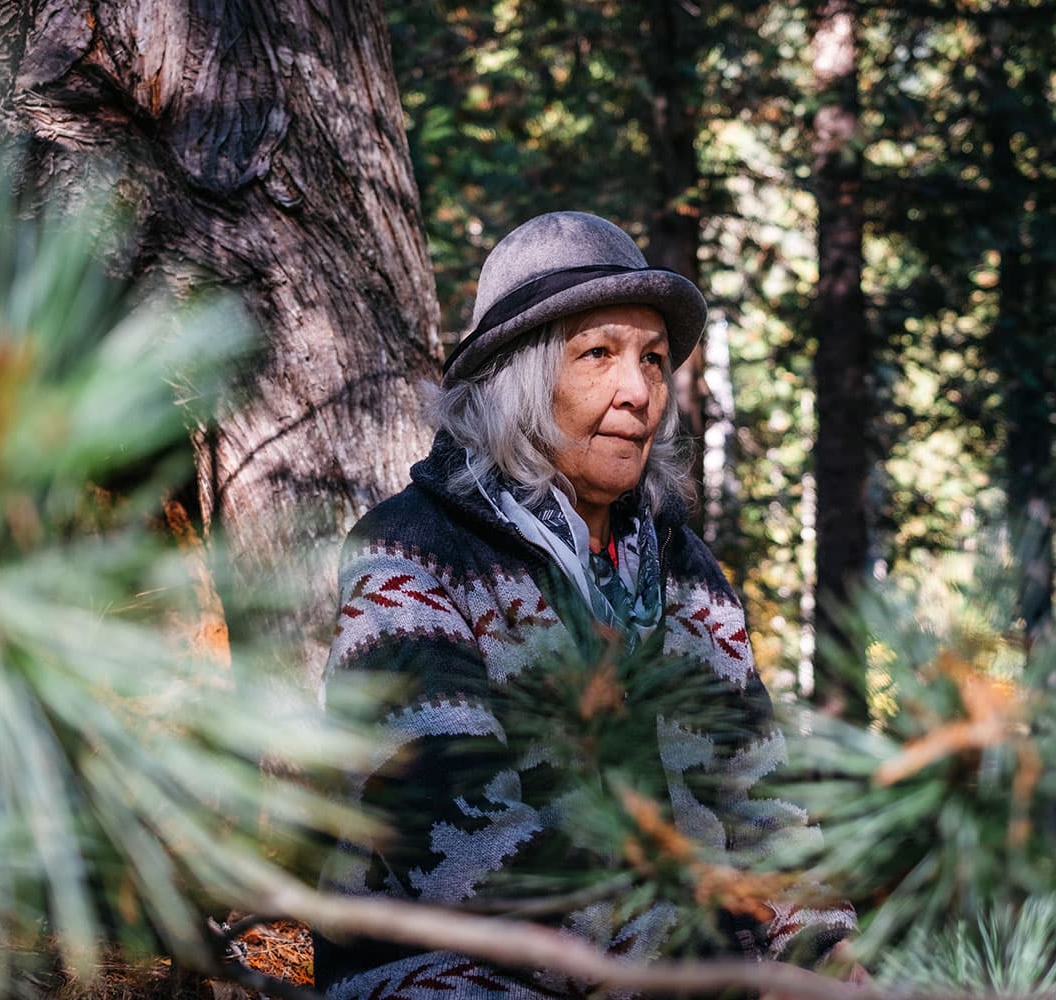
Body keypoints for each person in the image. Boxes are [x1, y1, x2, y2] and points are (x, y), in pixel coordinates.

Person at [314, 211, 856, 999]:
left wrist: (820, 951)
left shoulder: (685, 571)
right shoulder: (410, 553)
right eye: (597, 355)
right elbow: (458, 843)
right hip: (451, 963)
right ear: (519, 379)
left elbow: (759, 795)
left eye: (654, 359)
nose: (639, 392)